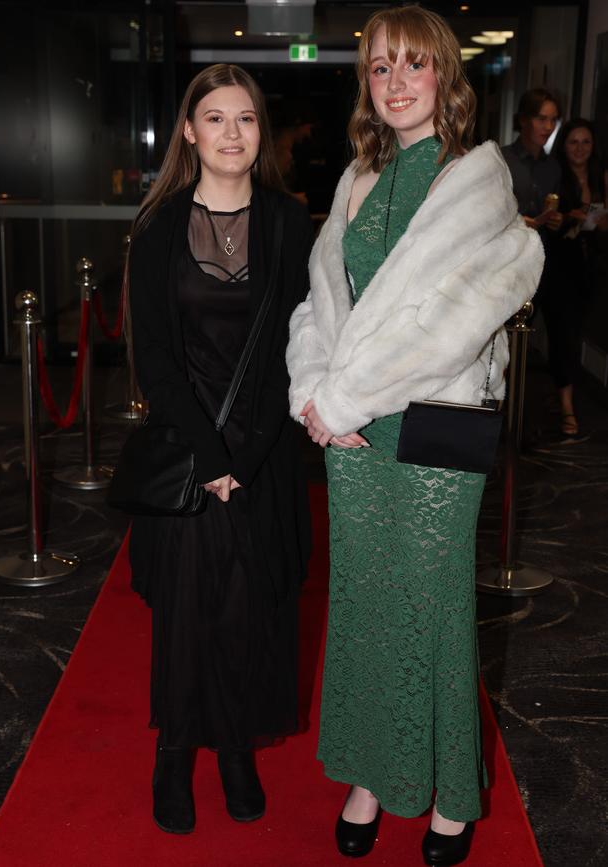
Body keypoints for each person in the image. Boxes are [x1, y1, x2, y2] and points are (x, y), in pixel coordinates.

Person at [286, 6, 543, 865]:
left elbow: (446, 327)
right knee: (361, 608)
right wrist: (311, 394)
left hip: (430, 430)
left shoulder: (475, 177)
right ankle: (367, 774)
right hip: (354, 438)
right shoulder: (358, 175)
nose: (395, 84)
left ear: (445, 76)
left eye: (413, 66)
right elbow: (321, 302)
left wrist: (345, 398)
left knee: (432, 610)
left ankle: (447, 797)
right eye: (380, 68)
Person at [126, 64, 313, 835]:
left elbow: (298, 343)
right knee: (186, 607)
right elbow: (156, 360)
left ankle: (236, 744)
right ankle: (174, 751)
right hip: (187, 447)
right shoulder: (159, 227)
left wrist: (247, 447)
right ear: (189, 131)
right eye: (216, 118)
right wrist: (210, 454)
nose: (232, 133)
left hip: (262, 447)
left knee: (250, 605)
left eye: (246, 119)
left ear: (259, 133)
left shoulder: (287, 220)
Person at [500, 89, 577, 439]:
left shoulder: (553, 167)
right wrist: (523, 221)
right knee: (503, 341)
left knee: (556, 332)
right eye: (541, 118)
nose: (548, 126)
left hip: (544, 260)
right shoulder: (501, 159)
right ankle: (501, 413)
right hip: (508, 261)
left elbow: (553, 213)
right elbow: (491, 211)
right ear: (524, 120)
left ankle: (551, 413)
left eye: (552, 120)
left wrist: (555, 220)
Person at [546, 118, 608, 440]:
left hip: (592, 266)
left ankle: (565, 391)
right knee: (564, 335)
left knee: (578, 330)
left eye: (586, 142)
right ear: (563, 145)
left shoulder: (601, 177)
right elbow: (547, 220)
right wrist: (570, 217)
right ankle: (567, 407)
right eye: (573, 142)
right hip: (560, 265)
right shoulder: (555, 176)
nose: (580, 148)